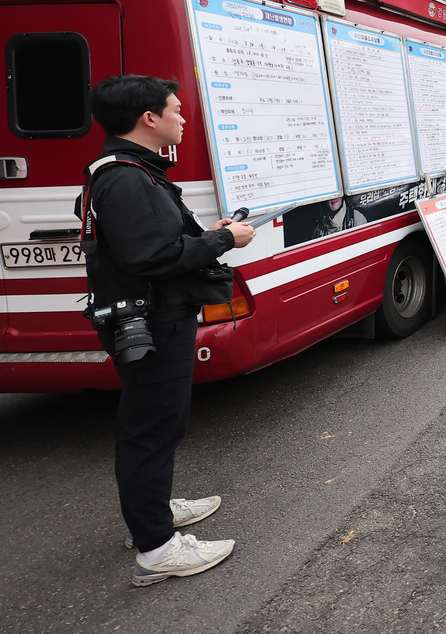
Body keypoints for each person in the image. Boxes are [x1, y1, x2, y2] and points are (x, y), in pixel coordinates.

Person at [84, 74, 256, 586]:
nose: (184, 117)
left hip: (155, 317)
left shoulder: (131, 170)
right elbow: (154, 256)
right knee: (151, 430)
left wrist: (211, 234)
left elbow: (157, 242)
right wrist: (224, 239)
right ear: (149, 118)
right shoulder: (126, 178)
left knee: (161, 424)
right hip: (151, 322)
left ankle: (153, 513)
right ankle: (157, 548)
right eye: (176, 110)